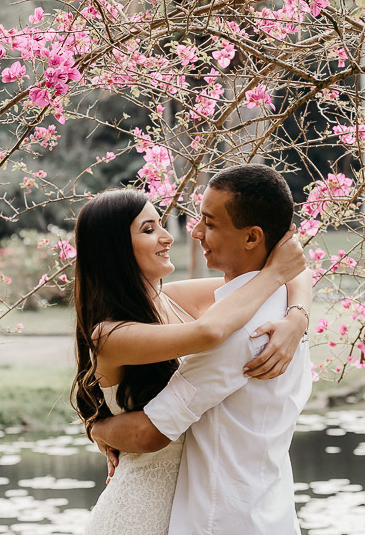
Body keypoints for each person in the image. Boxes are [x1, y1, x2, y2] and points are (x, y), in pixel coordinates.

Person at [72, 185, 311, 535]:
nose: (168, 237)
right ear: (115, 249)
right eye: (149, 229)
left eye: (161, 224)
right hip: (142, 509)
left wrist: (297, 318)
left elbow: (293, 269)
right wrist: (96, 428)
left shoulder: (173, 299)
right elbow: (211, 331)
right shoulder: (109, 334)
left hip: (195, 505)